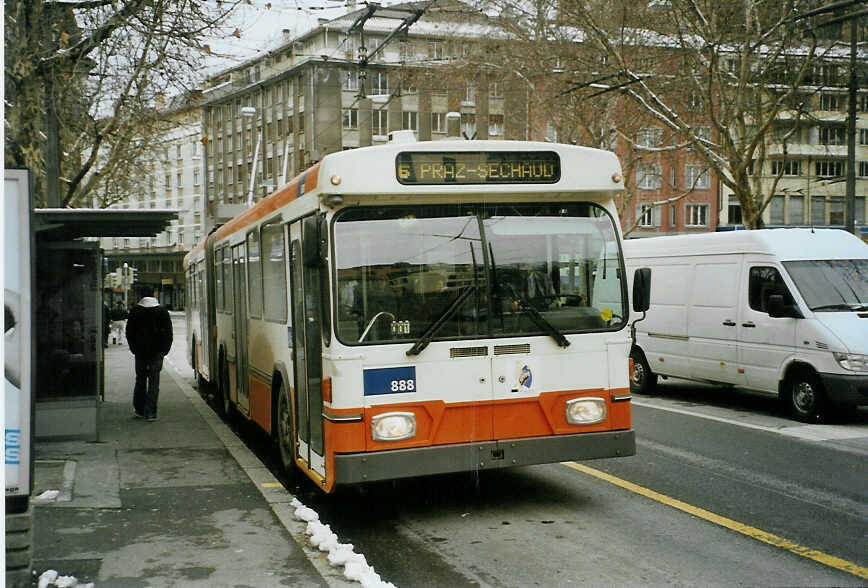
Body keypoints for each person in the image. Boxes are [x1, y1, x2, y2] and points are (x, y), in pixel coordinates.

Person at [125, 296, 173, 421]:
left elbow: (129, 332)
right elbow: (168, 333)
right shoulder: (162, 311)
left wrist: (133, 348)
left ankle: (139, 408)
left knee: (140, 379)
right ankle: (151, 411)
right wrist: (164, 351)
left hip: (140, 352)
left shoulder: (135, 311)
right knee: (154, 381)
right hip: (157, 353)